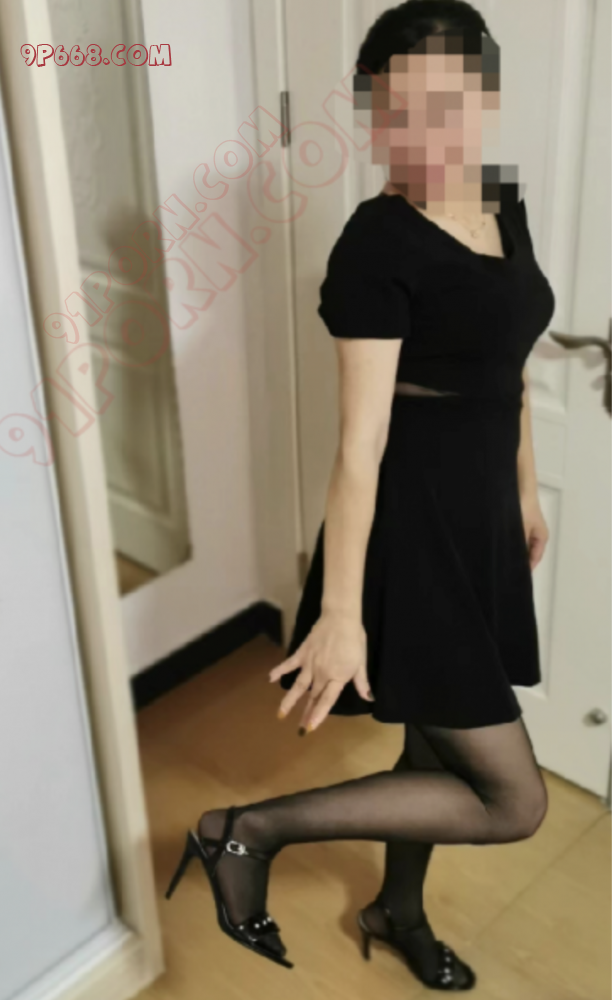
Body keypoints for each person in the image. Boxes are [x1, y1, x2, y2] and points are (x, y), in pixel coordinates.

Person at [165, 1, 555, 991]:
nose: (420, 135)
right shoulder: (375, 244)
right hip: (413, 533)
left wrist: (523, 488)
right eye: (395, 111)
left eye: (447, 105)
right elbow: (360, 444)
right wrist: (342, 615)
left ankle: (396, 909)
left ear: (488, 97)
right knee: (514, 801)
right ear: (372, 112)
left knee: (434, 742)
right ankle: (243, 830)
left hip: (481, 518)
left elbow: (507, 365)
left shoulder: (501, 197)